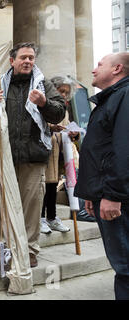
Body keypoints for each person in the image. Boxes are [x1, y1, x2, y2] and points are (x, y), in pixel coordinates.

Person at [0, 42, 66, 267]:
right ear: (12, 61)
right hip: (5, 155)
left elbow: (59, 112)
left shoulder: (43, 84)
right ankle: (2, 247)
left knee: (31, 206)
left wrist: (43, 103)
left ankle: (30, 249)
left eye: (31, 58)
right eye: (23, 57)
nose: (28, 61)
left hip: (33, 156)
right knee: (2, 206)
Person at [74, 52, 129, 300]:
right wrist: (91, 193)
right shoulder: (110, 99)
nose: (94, 69)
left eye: (100, 64)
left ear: (117, 69)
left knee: (126, 267)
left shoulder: (124, 97)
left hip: (117, 198)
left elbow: (123, 149)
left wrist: (112, 195)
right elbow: (102, 151)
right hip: (104, 193)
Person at [40, 76, 79, 234]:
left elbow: (67, 126)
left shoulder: (64, 109)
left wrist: (73, 134)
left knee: (52, 186)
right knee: (43, 186)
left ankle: (52, 217)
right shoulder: (43, 104)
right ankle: (40, 218)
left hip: (58, 153)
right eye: (60, 91)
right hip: (44, 151)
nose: (63, 94)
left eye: (66, 92)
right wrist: (51, 128)